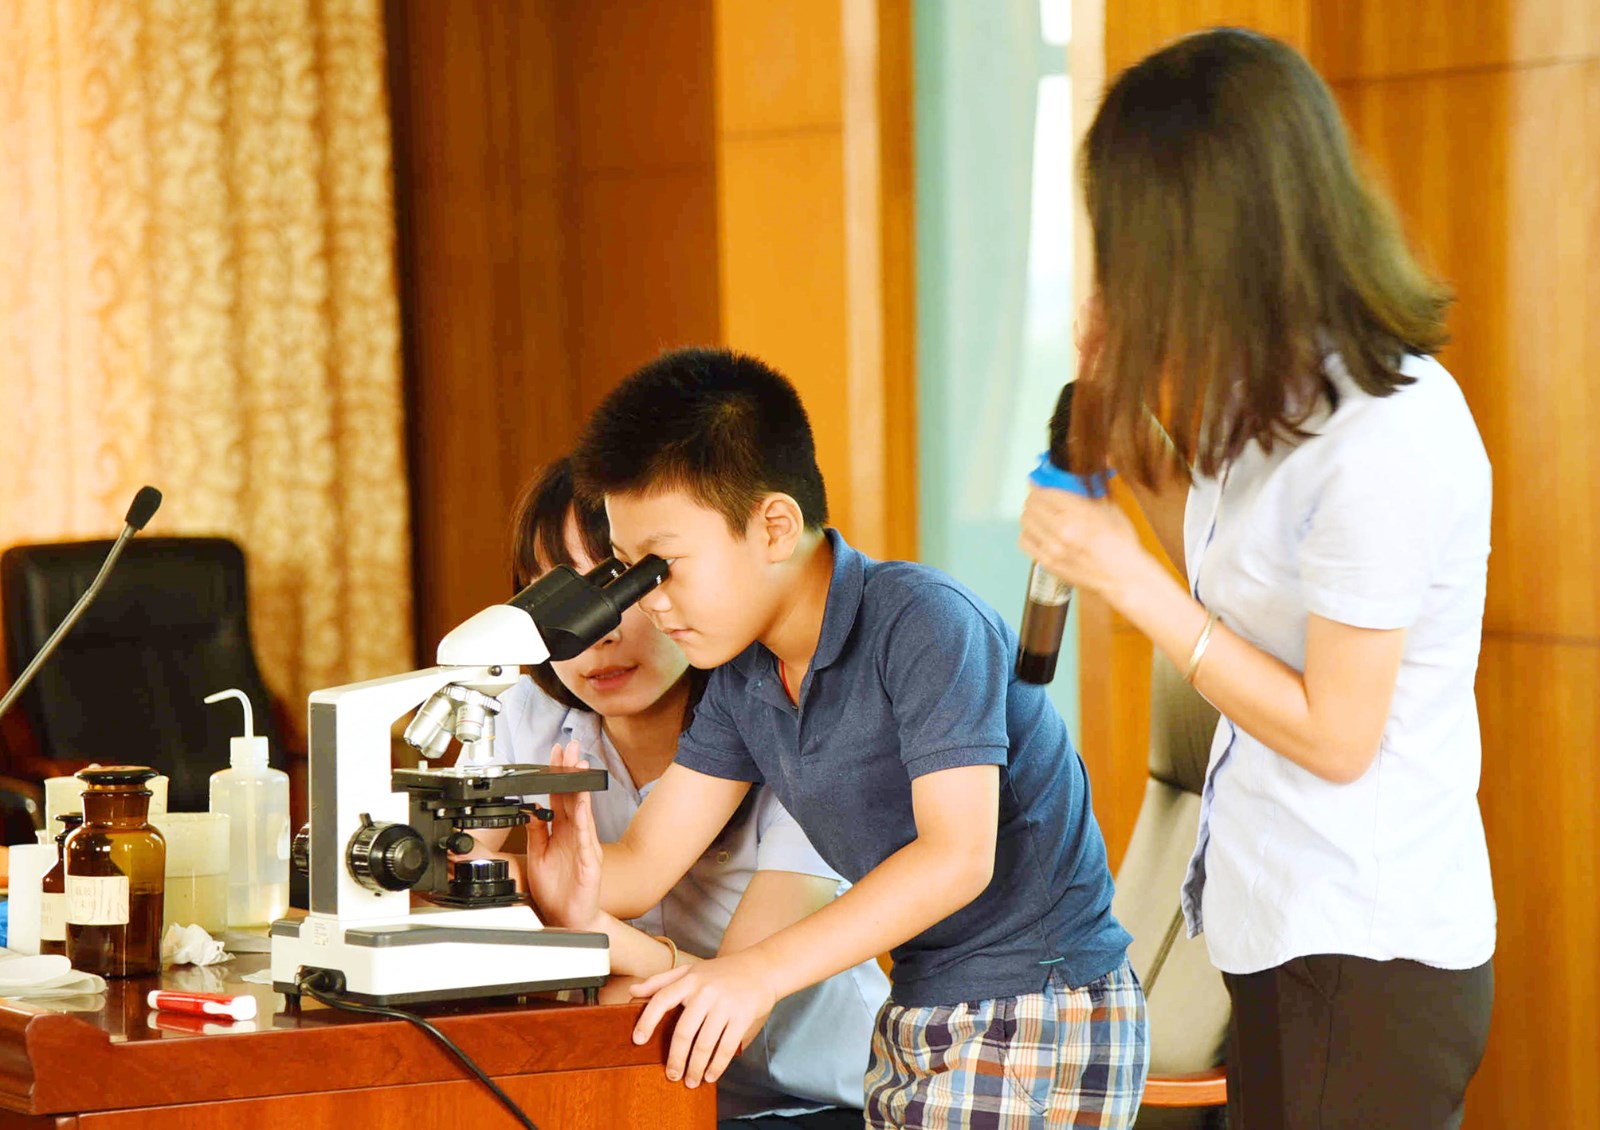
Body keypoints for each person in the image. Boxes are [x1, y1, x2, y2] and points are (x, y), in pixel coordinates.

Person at [1018, 28, 1494, 1129]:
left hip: (1367, 947)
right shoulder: (1269, 394)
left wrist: (1128, 584)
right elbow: (1232, 583)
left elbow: (1336, 731)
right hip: (1274, 917)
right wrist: (1121, 419)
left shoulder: (1384, 434)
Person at [530, 348, 1146, 1129]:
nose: (648, 603)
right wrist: (552, 878)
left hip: (1041, 1003)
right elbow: (644, 865)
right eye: (629, 573)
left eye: (663, 567)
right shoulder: (746, 678)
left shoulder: (924, 622)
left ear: (775, 527)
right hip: (922, 1004)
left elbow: (957, 857)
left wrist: (754, 974)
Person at [480, 458, 888, 1129]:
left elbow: (741, 995)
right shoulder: (527, 713)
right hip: (640, 1095)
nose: (598, 632)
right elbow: (443, 881)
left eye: (616, 588)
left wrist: (589, 932)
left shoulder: (788, 726)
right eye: (559, 602)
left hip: (812, 1102)